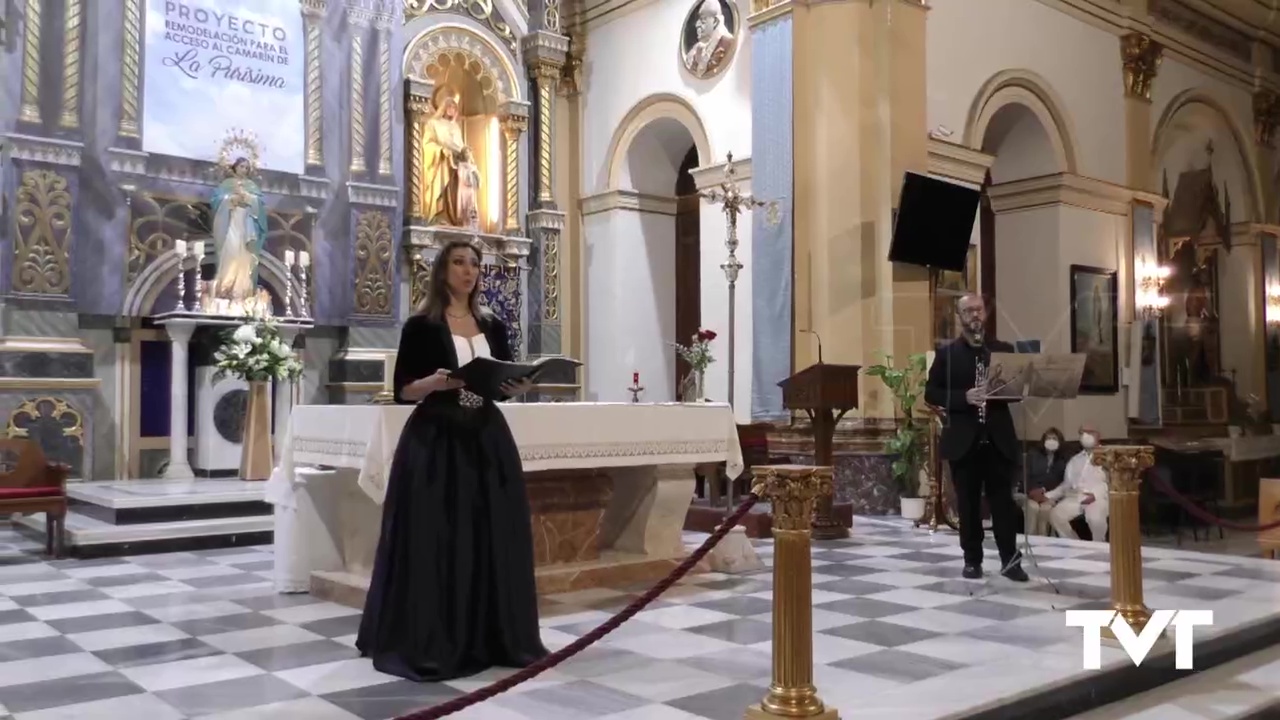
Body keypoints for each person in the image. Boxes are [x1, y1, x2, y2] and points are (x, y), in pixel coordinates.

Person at [356, 238, 549, 681]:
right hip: (437, 439)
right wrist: (435, 382)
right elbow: (404, 389)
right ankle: (435, 637)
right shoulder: (421, 327)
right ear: (443, 270)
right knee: (439, 537)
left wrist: (513, 388)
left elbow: (497, 380)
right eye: (459, 262)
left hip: (485, 436)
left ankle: (492, 635)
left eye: (474, 264)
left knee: (491, 533)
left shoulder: (493, 325)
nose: (468, 271)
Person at [925, 293, 1029, 581]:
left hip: (998, 440)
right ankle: (972, 560)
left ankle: (1011, 561)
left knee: (1003, 505)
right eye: (968, 311)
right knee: (968, 505)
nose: (974, 315)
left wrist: (1014, 388)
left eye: (978, 309)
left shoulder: (1002, 350)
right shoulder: (946, 354)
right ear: (959, 316)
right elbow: (930, 392)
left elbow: (1015, 390)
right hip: (963, 442)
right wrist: (963, 398)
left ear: (985, 313)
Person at [210, 156, 267, 302]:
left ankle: (242, 291)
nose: (244, 170)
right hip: (231, 222)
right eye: (242, 166)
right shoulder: (226, 184)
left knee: (245, 255)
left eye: (247, 168)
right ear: (235, 167)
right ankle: (226, 289)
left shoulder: (252, 186)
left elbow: (260, 204)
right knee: (230, 252)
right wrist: (231, 199)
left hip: (247, 225)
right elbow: (216, 201)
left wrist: (248, 197)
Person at [420, 86, 479, 227]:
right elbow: (426, 145)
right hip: (441, 165)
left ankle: (459, 219)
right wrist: (441, 151)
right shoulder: (432, 124)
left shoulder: (456, 127)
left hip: (457, 167)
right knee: (443, 190)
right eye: (450, 106)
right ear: (444, 107)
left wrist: (466, 153)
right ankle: (440, 215)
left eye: (455, 107)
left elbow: (459, 146)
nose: (452, 110)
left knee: (463, 186)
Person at [1047, 425, 1110, 541]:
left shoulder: (1108, 457)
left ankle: (1099, 546)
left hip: (1099, 498)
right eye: (1082, 433)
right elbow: (1066, 485)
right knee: (1055, 515)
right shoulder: (1075, 460)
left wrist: (1095, 495)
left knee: (1094, 517)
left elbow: (1112, 483)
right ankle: (1074, 543)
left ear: (1098, 435)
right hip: (1076, 497)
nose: (1085, 436)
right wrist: (1047, 496)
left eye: (1089, 432)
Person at [1022, 427, 1067, 536]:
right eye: (1048, 438)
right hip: (1030, 493)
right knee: (1033, 508)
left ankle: (1044, 542)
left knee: (1045, 509)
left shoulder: (1063, 459)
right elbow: (1025, 475)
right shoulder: (1033, 454)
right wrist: (1032, 492)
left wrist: (1044, 493)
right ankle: (1031, 539)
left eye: (1054, 438)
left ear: (1059, 441)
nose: (1051, 441)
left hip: (1049, 495)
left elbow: (1061, 482)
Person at [682, 0, 735, 78]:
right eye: (698, 21)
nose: (697, 25)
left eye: (702, 20)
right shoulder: (695, 50)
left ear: (715, 22)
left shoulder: (727, 43)